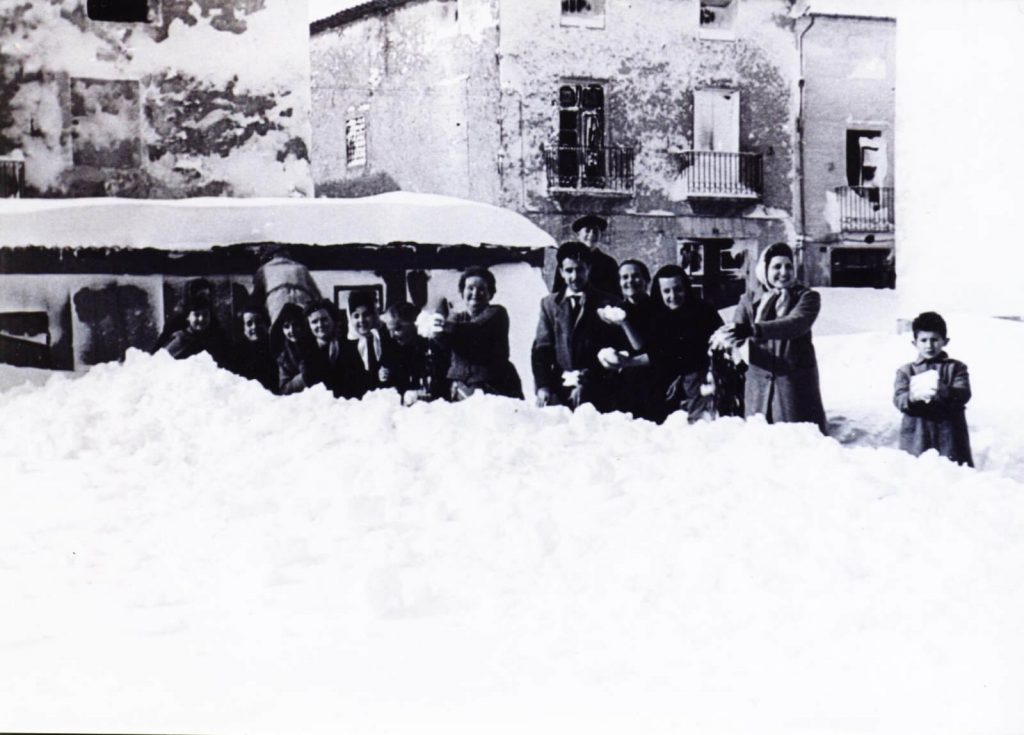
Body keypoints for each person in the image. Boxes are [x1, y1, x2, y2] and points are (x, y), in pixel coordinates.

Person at [720, 241, 827, 433]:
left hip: (793, 388)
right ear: (765, 269)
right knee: (760, 442)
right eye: (777, 266)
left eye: (788, 266)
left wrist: (753, 329)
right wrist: (728, 339)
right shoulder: (749, 300)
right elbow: (737, 333)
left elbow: (795, 324)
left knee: (797, 442)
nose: (784, 272)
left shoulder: (806, 297)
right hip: (758, 390)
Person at [532, 241, 624, 411]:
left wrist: (588, 379)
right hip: (560, 387)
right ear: (561, 272)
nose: (574, 276)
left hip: (598, 388)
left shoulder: (608, 302)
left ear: (589, 269)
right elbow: (541, 350)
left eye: (580, 269)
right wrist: (543, 386)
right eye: (569, 270)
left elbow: (614, 348)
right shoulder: (549, 304)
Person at [642, 264, 723, 423]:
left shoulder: (704, 312)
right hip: (664, 387)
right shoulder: (654, 317)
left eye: (678, 289)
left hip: (699, 385)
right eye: (666, 291)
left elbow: (715, 347)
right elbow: (657, 353)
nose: (673, 296)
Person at [431, 266, 523, 401]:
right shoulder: (456, 318)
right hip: (462, 389)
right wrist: (436, 330)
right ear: (462, 292)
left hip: (495, 387)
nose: (475, 293)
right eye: (470, 288)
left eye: (481, 289)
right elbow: (443, 342)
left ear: (490, 293)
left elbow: (476, 330)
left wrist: (446, 326)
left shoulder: (497, 313)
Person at [893, 311, 973, 466]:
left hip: (950, 438)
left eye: (934, 340)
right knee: (917, 473)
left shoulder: (956, 368)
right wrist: (911, 397)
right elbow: (898, 399)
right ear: (915, 343)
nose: (929, 345)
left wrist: (945, 391)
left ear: (945, 341)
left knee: (952, 474)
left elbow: (964, 394)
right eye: (923, 340)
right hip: (917, 437)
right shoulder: (906, 371)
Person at [380, 302, 446, 405]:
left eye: (397, 328)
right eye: (390, 330)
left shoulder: (430, 346)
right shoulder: (392, 348)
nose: (392, 335)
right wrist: (384, 375)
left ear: (414, 323)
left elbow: (438, 386)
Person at [550, 214, 619, 295]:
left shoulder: (609, 263)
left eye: (595, 230)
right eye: (587, 230)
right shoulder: (567, 261)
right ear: (578, 235)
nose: (592, 234)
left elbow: (616, 294)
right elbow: (557, 292)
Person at [339, 290, 390, 399]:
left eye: (366, 315)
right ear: (350, 318)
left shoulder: (384, 338)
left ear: (374, 315)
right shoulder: (345, 344)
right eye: (356, 316)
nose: (361, 320)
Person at [252, 247, 323, 325]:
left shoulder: (264, 269)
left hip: (278, 300)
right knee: (303, 325)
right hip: (301, 299)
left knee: (280, 325)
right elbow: (316, 295)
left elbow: (256, 298)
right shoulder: (301, 267)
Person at [162, 290, 229, 365]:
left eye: (205, 314)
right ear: (187, 317)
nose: (201, 319)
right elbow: (162, 363)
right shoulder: (180, 339)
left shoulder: (215, 338)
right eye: (196, 315)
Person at [229, 302, 277, 393]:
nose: (254, 327)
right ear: (244, 328)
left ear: (266, 324)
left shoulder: (275, 346)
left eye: (258, 322)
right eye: (249, 324)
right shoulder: (237, 352)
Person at [272, 302, 317, 395]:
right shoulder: (284, 357)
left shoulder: (317, 343)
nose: (291, 330)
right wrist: (303, 378)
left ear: (304, 325)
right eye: (286, 326)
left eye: (296, 325)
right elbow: (283, 388)